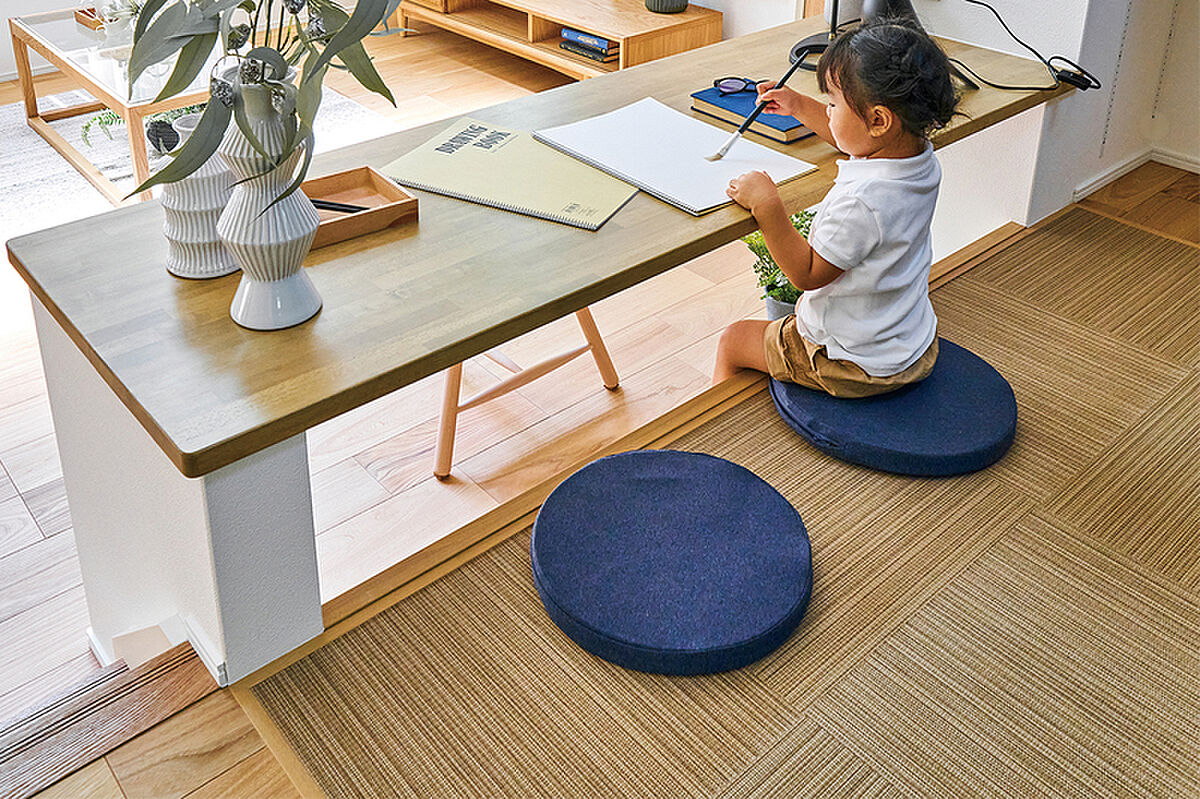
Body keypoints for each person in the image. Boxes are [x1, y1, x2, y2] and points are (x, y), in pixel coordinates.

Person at [713, 19, 959, 397]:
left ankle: (719, 428)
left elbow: (808, 274)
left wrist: (767, 205)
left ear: (878, 120)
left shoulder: (862, 202)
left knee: (733, 340)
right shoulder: (916, 158)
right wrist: (799, 106)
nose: (827, 112)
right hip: (909, 340)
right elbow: (854, 139)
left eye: (832, 104)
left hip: (853, 364)